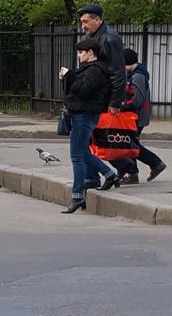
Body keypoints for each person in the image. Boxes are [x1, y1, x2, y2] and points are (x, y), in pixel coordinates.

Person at [59, 38, 120, 213]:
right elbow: (75, 89)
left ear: (90, 52)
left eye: (81, 52)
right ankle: (110, 174)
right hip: (81, 113)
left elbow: (84, 91)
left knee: (77, 157)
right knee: (82, 153)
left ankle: (77, 195)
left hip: (84, 115)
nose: (78, 55)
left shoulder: (95, 70)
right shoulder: (89, 69)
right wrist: (66, 78)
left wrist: (70, 75)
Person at [113, 49, 168, 185]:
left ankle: (150, 165)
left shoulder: (138, 77)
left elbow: (137, 100)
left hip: (136, 116)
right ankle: (135, 172)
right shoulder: (132, 75)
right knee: (129, 143)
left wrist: (123, 106)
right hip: (132, 115)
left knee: (130, 143)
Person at [77, 3, 126, 115]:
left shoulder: (110, 39)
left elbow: (118, 72)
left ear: (97, 20)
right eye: (82, 22)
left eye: (85, 22)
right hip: (92, 95)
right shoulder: (89, 37)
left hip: (103, 97)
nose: (82, 26)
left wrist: (115, 102)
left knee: (103, 130)